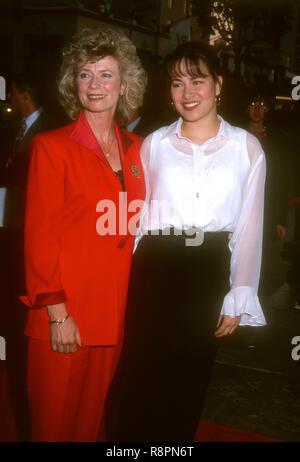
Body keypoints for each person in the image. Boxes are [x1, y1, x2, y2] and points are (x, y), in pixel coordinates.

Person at [105, 41, 266, 442]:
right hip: (155, 267)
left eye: (198, 80)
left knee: (190, 377)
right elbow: (136, 219)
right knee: (139, 374)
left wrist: (239, 291)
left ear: (219, 84)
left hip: (207, 269)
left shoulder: (247, 148)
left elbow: (249, 227)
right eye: (177, 84)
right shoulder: (154, 144)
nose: (188, 93)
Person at [20, 27, 147, 442]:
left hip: (112, 318)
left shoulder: (137, 149)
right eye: (85, 74)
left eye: (106, 74)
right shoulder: (50, 147)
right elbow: (39, 239)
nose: (95, 85)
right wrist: (57, 313)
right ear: (72, 84)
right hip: (65, 317)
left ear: (124, 84)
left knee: (91, 427)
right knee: (53, 427)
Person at [1, 75, 54, 441]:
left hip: (31, 244)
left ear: (26, 94)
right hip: (8, 238)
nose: (10, 98)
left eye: (14, 92)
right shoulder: (12, 129)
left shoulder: (51, 133)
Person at [246, 93, 292, 303]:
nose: (257, 109)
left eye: (262, 105)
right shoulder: (234, 134)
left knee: (262, 255)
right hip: (239, 206)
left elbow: (281, 181)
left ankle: (258, 297)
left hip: (266, 208)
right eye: (253, 104)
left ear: (267, 110)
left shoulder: (277, 139)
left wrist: (280, 220)